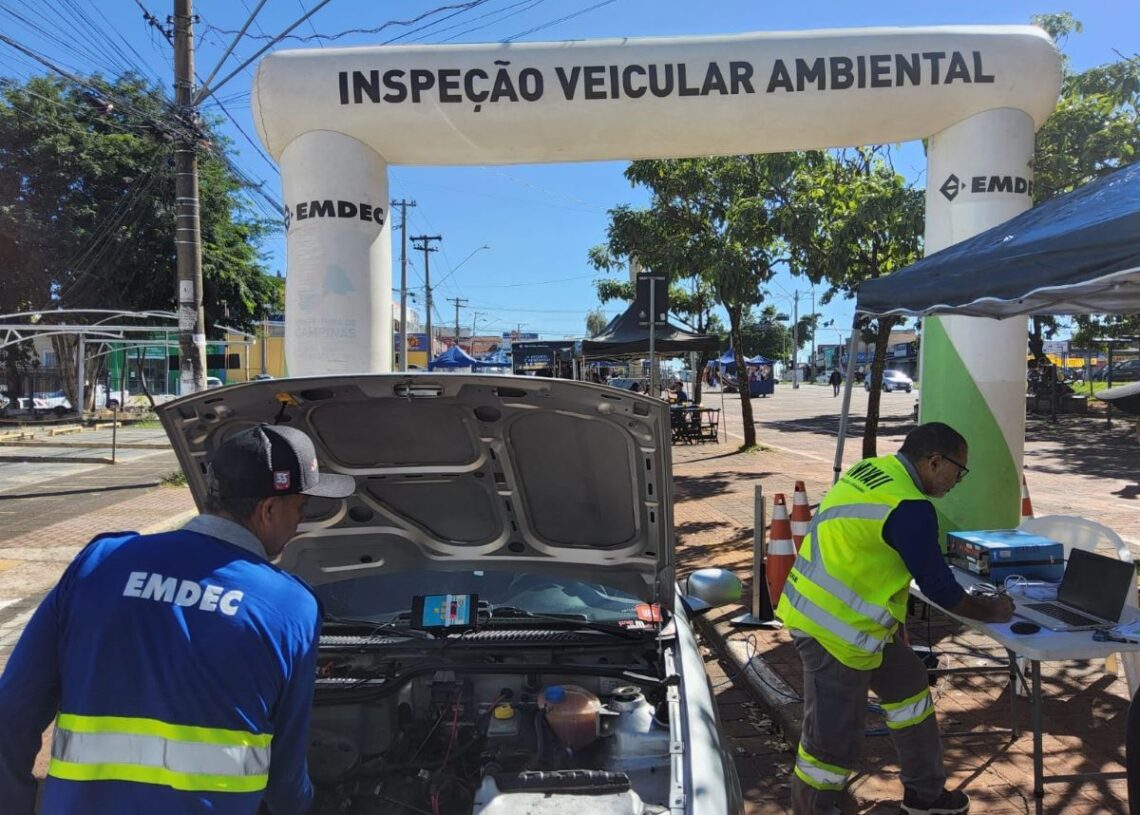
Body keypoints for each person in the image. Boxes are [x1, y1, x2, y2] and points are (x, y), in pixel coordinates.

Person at [0, 423, 356, 815]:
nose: (299, 523)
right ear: (269, 510)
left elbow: (12, 714)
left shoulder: (99, 563)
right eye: (300, 508)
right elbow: (285, 774)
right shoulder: (290, 606)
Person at [776, 422, 1014, 815]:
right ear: (935, 462)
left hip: (851, 623)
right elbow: (941, 590)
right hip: (835, 632)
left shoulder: (872, 469)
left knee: (910, 685)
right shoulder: (911, 508)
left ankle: (925, 793)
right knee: (831, 744)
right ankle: (812, 809)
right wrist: (992, 610)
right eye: (959, 469)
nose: (959, 479)